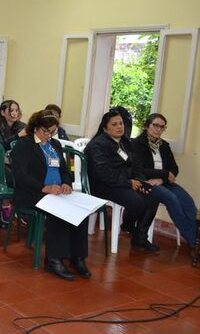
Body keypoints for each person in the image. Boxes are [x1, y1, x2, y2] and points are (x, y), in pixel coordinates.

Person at [12, 110, 90, 280]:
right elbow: (21, 176)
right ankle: (54, 260)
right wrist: (44, 187)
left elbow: (64, 169)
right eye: (44, 131)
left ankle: (77, 257)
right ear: (35, 128)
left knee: (82, 212)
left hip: (57, 192)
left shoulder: (55, 145)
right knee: (60, 213)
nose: (48, 135)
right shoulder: (24, 145)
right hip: (32, 192)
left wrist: (66, 183)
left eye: (52, 131)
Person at [85, 109, 160, 252]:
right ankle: (128, 225)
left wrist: (140, 181)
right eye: (114, 124)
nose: (120, 127)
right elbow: (103, 173)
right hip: (102, 185)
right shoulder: (98, 145)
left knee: (153, 195)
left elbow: (135, 166)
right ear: (105, 128)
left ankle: (140, 238)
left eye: (121, 123)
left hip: (122, 182)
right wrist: (129, 183)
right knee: (138, 202)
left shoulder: (124, 141)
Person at [131, 113, 197, 246]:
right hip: (148, 183)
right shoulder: (136, 144)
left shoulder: (164, 145)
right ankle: (194, 242)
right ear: (147, 125)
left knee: (189, 204)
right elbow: (140, 170)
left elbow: (175, 168)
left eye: (162, 127)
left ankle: (194, 239)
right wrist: (165, 173)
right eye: (155, 125)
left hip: (163, 182)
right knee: (173, 200)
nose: (158, 129)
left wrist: (163, 179)